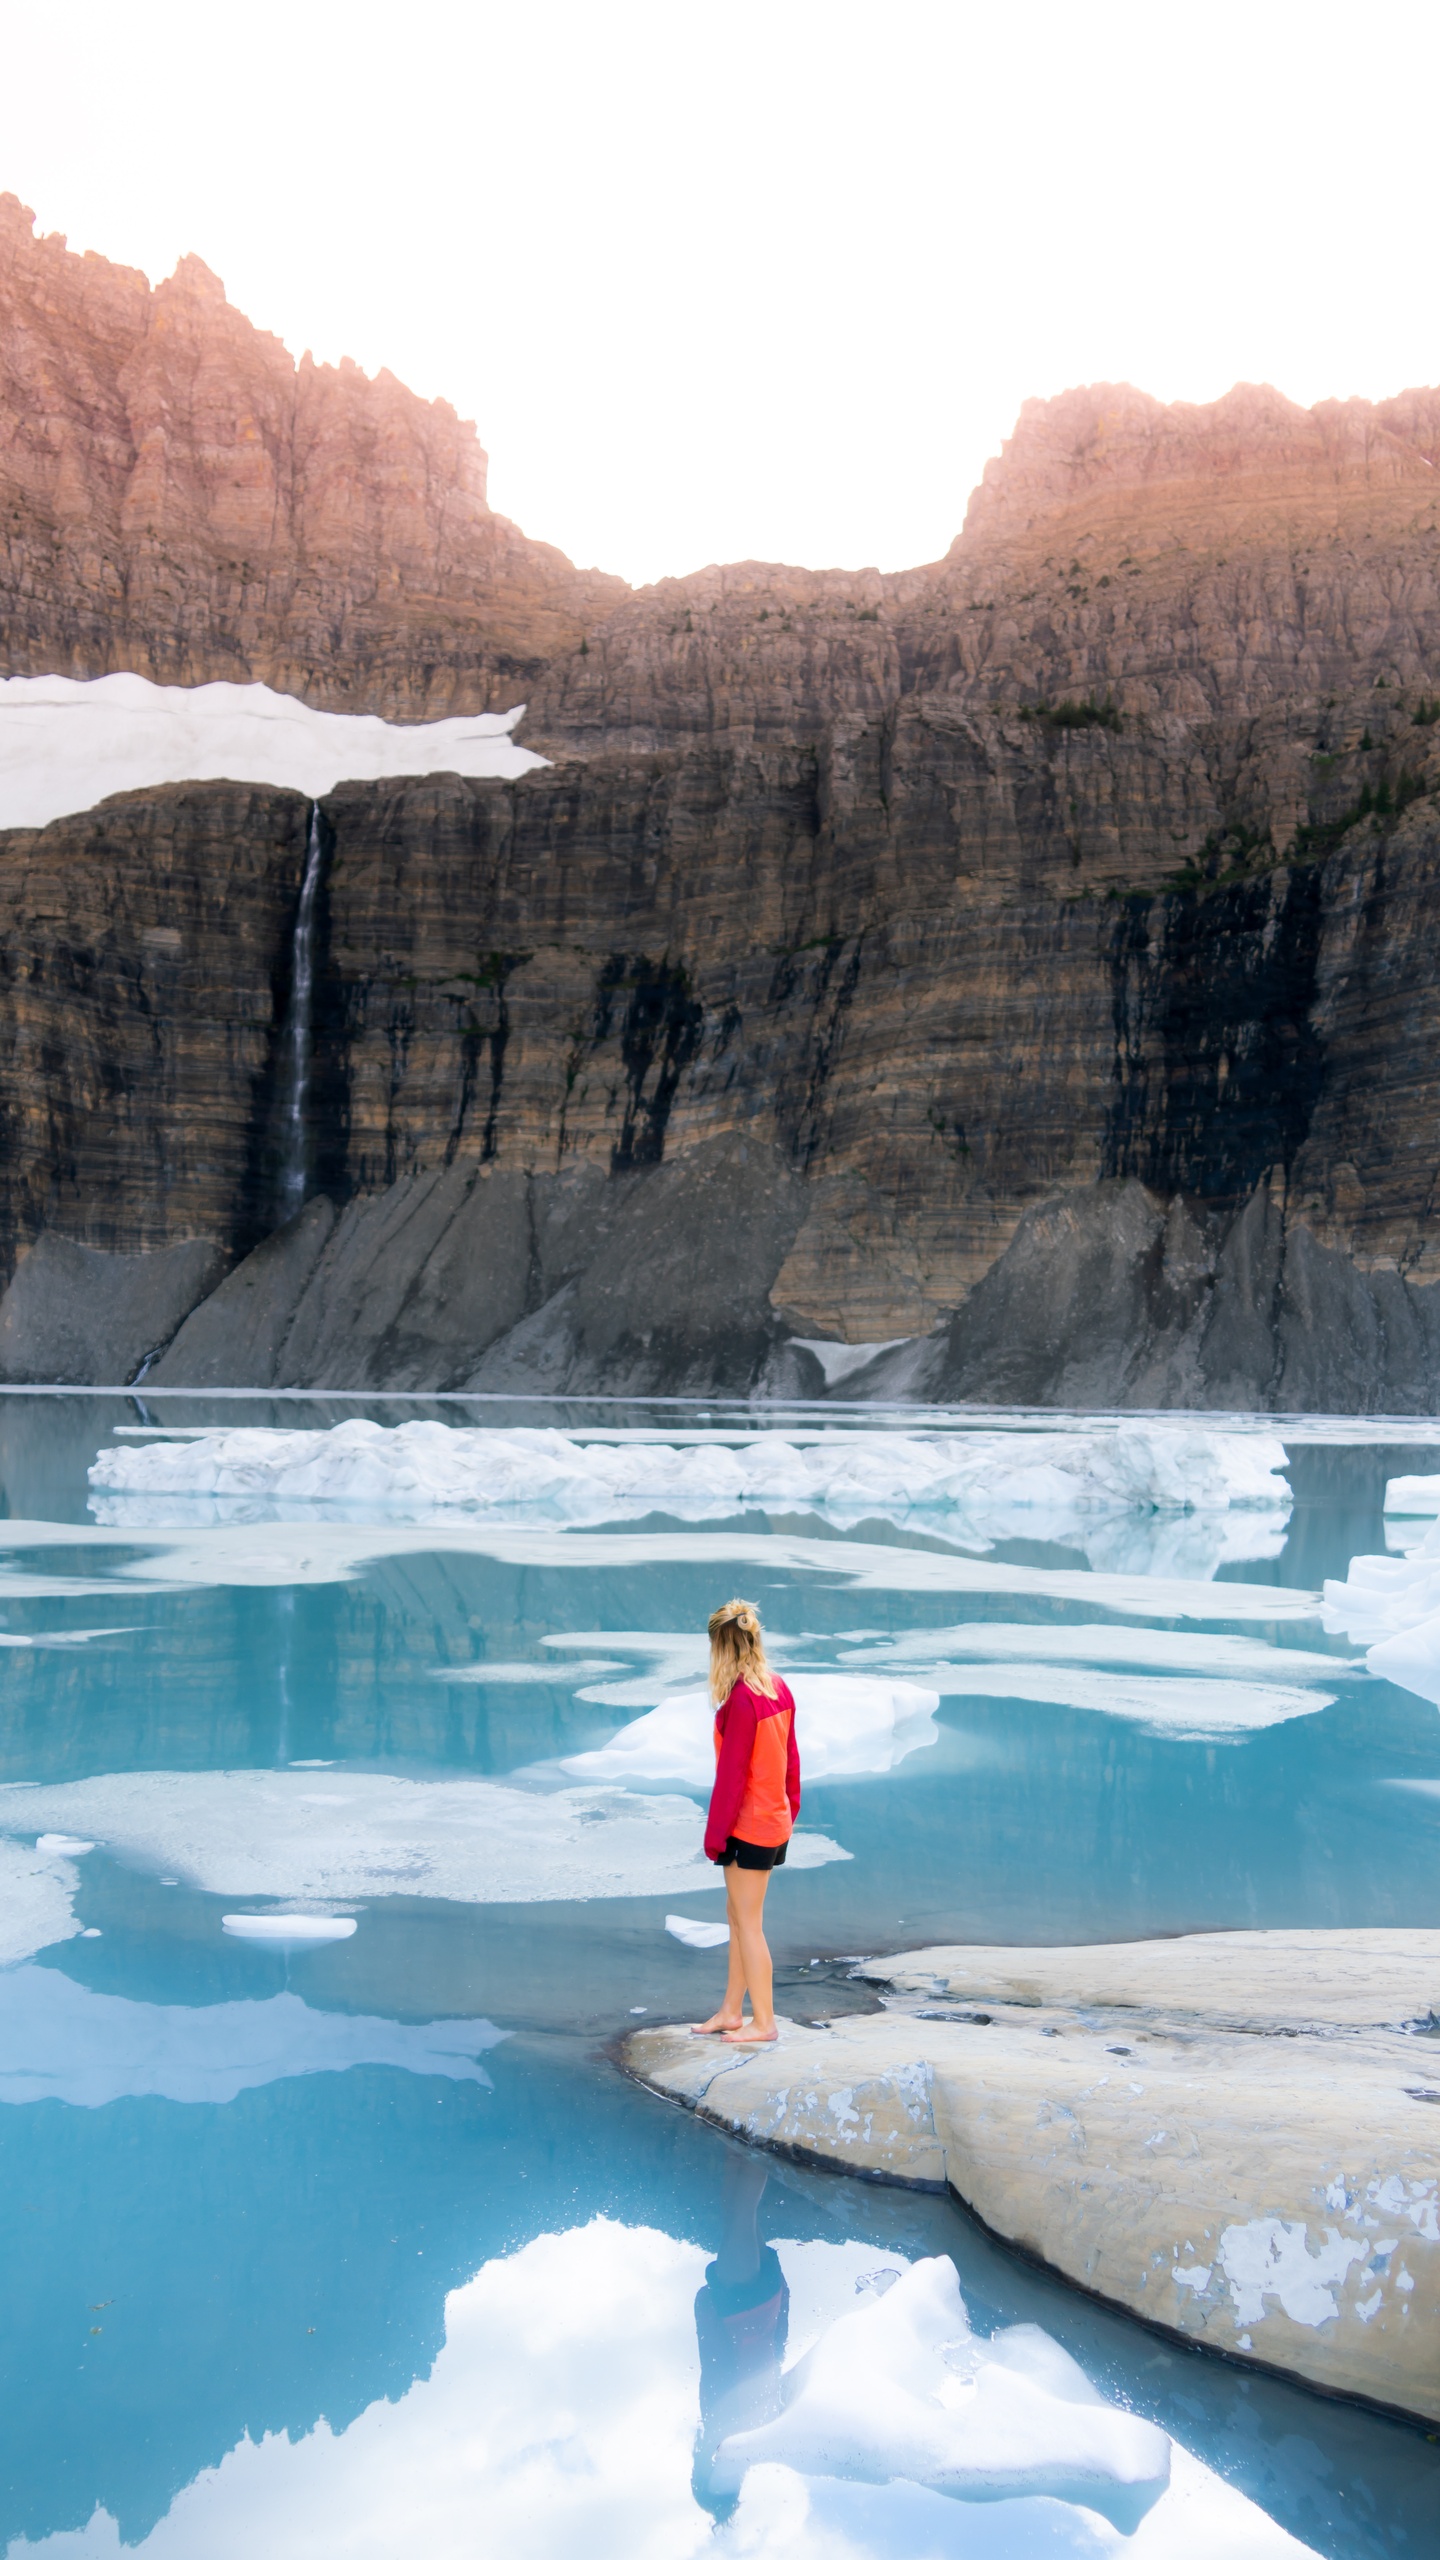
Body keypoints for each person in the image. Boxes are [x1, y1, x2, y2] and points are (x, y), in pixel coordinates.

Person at [691, 1598, 799, 2045]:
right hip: (772, 1820)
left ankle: (765, 2022)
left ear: (721, 1646)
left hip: (749, 1826)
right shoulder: (777, 1687)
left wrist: (715, 1838)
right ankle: (732, 2012)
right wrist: (789, 1809)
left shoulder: (742, 1700)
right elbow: (792, 1759)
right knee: (737, 1916)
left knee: (748, 1924)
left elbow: (731, 1779)